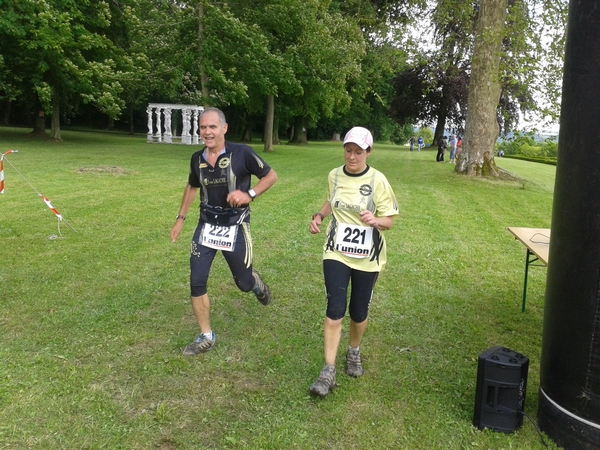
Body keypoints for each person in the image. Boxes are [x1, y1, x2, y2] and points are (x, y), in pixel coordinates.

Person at [170, 107, 278, 356]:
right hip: (206, 225)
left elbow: (270, 176)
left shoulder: (242, 153)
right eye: (203, 127)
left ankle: (255, 282)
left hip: (235, 226)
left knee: (243, 282)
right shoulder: (197, 158)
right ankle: (206, 336)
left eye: (212, 127)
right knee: (196, 282)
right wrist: (180, 219)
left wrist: (248, 194)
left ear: (224, 128)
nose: (207, 132)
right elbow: (191, 186)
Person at [308, 126, 399, 397]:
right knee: (335, 307)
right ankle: (328, 370)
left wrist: (376, 220)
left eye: (358, 152)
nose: (352, 156)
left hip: (367, 258)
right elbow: (330, 201)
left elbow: (390, 220)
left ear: (369, 152)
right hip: (336, 250)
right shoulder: (334, 175)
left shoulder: (378, 180)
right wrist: (319, 216)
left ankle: (354, 350)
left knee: (358, 312)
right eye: (348, 150)